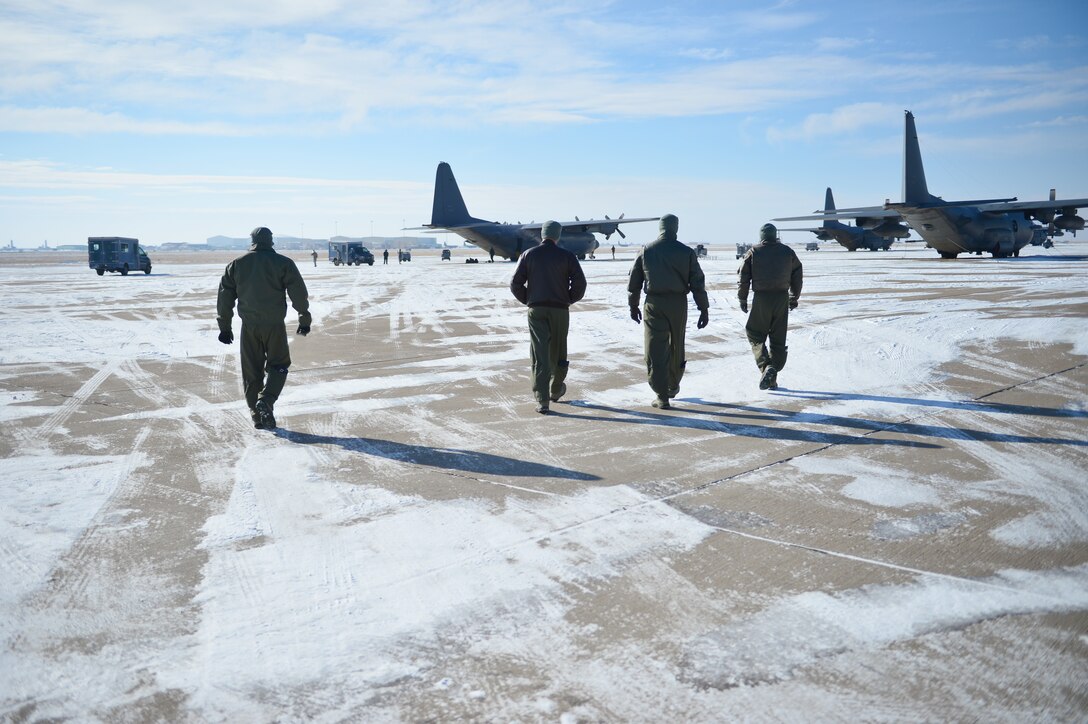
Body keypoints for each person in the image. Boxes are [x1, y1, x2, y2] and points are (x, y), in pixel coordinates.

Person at [217, 227, 312, 430]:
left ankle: (257, 416)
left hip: (249, 327)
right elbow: (298, 292)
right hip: (274, 326)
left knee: (252, 373)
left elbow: (225, 297)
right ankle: (266, 401)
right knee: (279, 364)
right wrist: (304, 317)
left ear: (252, 241)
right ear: (271, 241)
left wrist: (224, 326)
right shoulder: (284, 263)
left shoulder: (237, 264)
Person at [627, 214, 709, 409]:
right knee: (676, 346)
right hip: (678, 304)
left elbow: (634, 282)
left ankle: (661, 394)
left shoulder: (646, 250)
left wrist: (633, 305)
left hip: (654, 303)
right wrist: (703, 308)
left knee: (655, 347)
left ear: (660, 228)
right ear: (676, 228)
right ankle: (673, 384)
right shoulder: (686, 252)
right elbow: (698, 282)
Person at [509, 220, 587, 414]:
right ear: (557, 235)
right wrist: (568, 299)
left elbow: (515, 283)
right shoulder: (567, 256)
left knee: (539, 353)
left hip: (537, 310)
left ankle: (542, 399)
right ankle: (555, 389)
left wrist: (528, 299)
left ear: (542, 234)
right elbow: (580, 283)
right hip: (560, 310)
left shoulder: (529, 255)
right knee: (559, 350)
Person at [738, 223, 803, 390]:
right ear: (775, 235)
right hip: (781, 297)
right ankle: (773, 375)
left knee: (754, 333)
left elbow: (744, 277)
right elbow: (797, 274)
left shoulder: (754, 251)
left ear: (762, 236)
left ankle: (766, 366)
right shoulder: (787, 251)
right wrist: (794, 297)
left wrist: (742, 299)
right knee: (778, 340)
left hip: (762, 298)